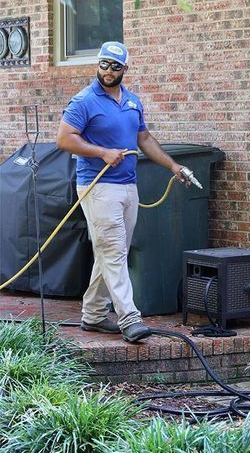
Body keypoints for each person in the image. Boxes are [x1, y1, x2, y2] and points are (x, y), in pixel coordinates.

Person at [56, 41, 187, 343]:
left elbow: (144, 137)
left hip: (128, 185)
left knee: (113, 252)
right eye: (104, 64)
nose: (108, 71)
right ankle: (129, 318)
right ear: (97, 65)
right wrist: (102, 152)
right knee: (113, 251)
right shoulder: (84, 100)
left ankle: (93, 314)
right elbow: (64, 139)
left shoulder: (132, 101)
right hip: (98, 186)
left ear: (125, 69)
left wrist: (172, 166)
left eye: (115, 66)